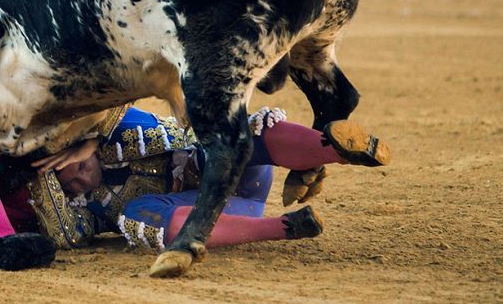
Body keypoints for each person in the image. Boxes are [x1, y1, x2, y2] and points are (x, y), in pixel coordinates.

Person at [26, 105, 390, 251]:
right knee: (136, 216)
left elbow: (111, 104)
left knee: (234, 134)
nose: (73, 174)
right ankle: (286, 226)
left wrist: (89, 137)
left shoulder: (114, 132)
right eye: (63, 181)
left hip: (233, 162)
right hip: (234, 211)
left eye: (67, 160)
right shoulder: (83, 212)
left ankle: (338, 149)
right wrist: (37, 174)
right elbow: (64, 235)